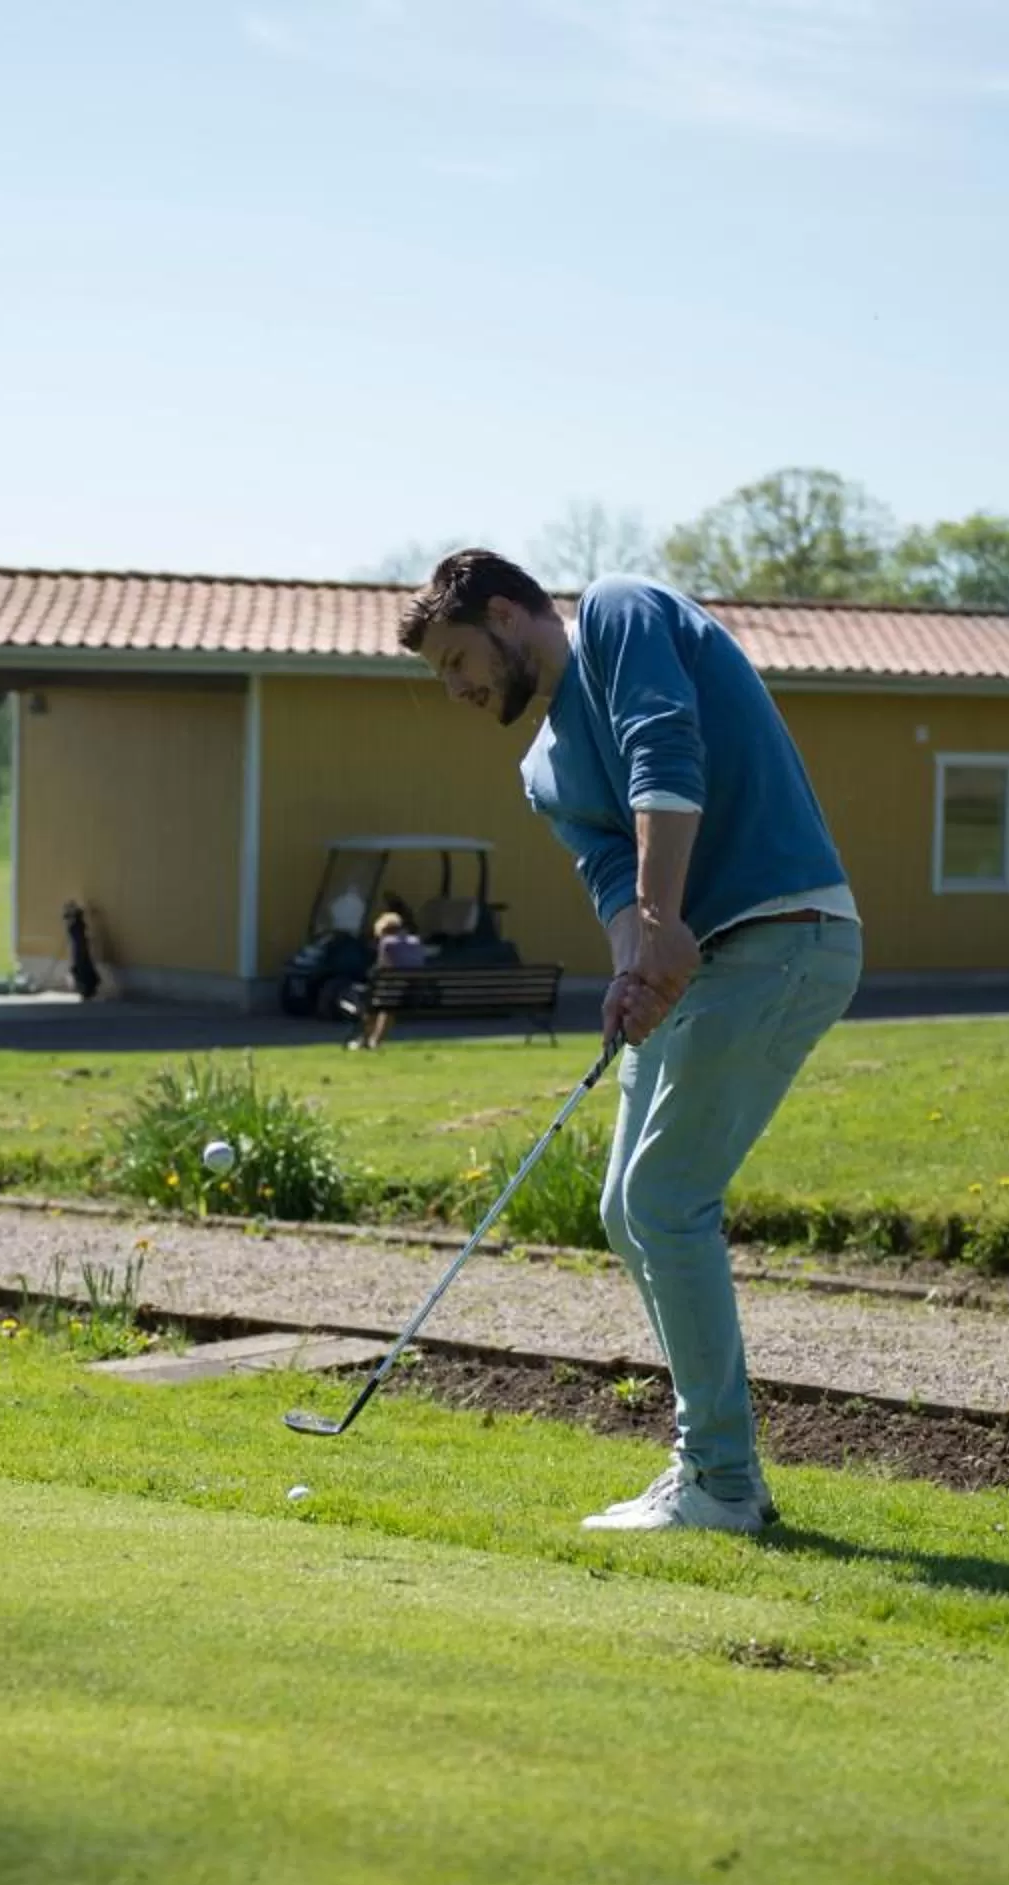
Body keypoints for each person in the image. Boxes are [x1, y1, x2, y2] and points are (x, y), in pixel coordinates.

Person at [399, 550, 861, 1535]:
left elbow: (666, 751)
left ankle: (723, 1482)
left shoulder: (618, 614)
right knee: (624, 1205)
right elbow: (615, 885)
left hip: (785, 934)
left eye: (456, 660)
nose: (457, 689)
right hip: (705, 960)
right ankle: (714, 1467)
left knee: (665, 1196)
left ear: (507, 612)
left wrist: (659, 921)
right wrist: (632, 966)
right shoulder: (542, 768)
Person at [351, 910, 429, 1052]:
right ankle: (376, 1040)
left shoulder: (387, 942)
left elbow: (382, 968)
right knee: (387, 1005)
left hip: (393, 991)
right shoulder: (416, 941)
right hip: (413, 992)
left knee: (372, 1003)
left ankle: (365, 1040)